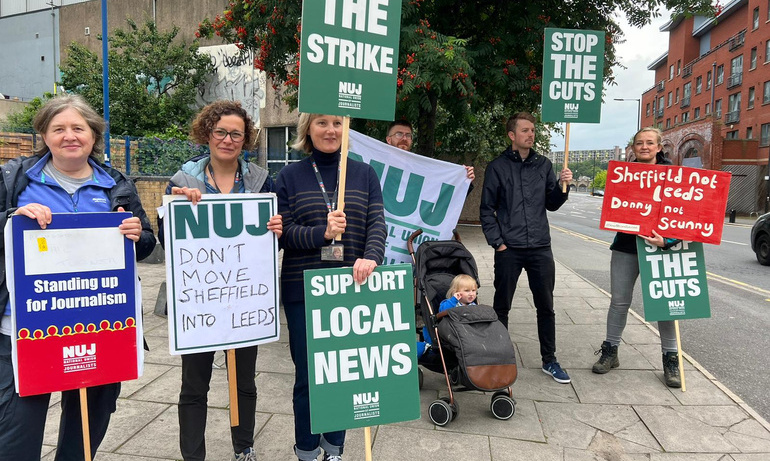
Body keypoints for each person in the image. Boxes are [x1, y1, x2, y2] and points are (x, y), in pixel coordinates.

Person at [0, 94, 156, 461]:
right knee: (16, 432)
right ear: (44, 134)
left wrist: (136, 235)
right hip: (25, 329)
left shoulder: (116, 183)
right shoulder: (15, 178)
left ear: (93, 134)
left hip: (100, 326)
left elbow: (147, 243)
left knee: (87, 429)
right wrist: (12, 215)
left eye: (78, 128)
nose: (69, 136)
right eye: (58, 128)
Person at [160, 100, 283, 461]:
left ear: (246, 140)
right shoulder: (183, 179)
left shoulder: (261, 180)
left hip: (246, 300)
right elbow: (168, 241)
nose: (228, 139)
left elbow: (273, 236)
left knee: (244, 382)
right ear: (207, 133)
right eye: (221, 132)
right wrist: (174, 209)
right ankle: (192, 454)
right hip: (201, 302)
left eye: (236, 134)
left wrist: (278, 227)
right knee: (194, 386)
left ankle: (244, 447)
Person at [277, 113, 386, 461]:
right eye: (322, 122)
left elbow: (377, 224)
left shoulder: (363, 173)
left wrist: (371, 257)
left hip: (351, 286)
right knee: (308, 376)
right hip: (303, 289)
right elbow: (284, 235)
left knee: (342, 374)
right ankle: (307, 450)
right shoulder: (289, 177)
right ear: (307, 129)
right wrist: (321, 233)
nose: (331, 130)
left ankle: (334, 447)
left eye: (337, 123)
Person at [479, 111, 573, 384]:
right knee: (502, 306)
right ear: (512, 135)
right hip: (510, 249)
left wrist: (563, 187)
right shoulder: (497, 167)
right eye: (525, 130)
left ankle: (549, 360)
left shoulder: (543, 165)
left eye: (533, 130)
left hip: (541, 248)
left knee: (546, 305)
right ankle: (500, 357)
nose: (531, 134)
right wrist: (498, 243)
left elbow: (552, 203)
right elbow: (487, 209)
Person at [592, 127, 682, 388]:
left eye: (649, 143)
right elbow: (616, 209)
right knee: (619, 302)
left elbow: (688, 216)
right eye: (639, 143)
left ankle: (671, 358)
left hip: (662, 248)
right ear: (633, 147)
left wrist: (668, 240)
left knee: (665, 306)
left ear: (659, 146)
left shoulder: (676, 176)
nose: (644, 146)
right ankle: (611, 351)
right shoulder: (624, 176)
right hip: (626, 246)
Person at [385, 120, 476, 183]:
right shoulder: (377, 166)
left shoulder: (421, 169)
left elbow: (441, 197)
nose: (404, 138)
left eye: (408, 135)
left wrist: (463, 180)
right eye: (399, 134)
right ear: (389, 140)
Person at [417, 274, 478, 357]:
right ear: (456, 292)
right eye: (467, 291)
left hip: (466, 332)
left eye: (473, 290)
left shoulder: (473, 306)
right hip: (450, 330)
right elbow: (443, 311)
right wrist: (454, 300)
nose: (471, 294)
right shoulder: (449, 303)